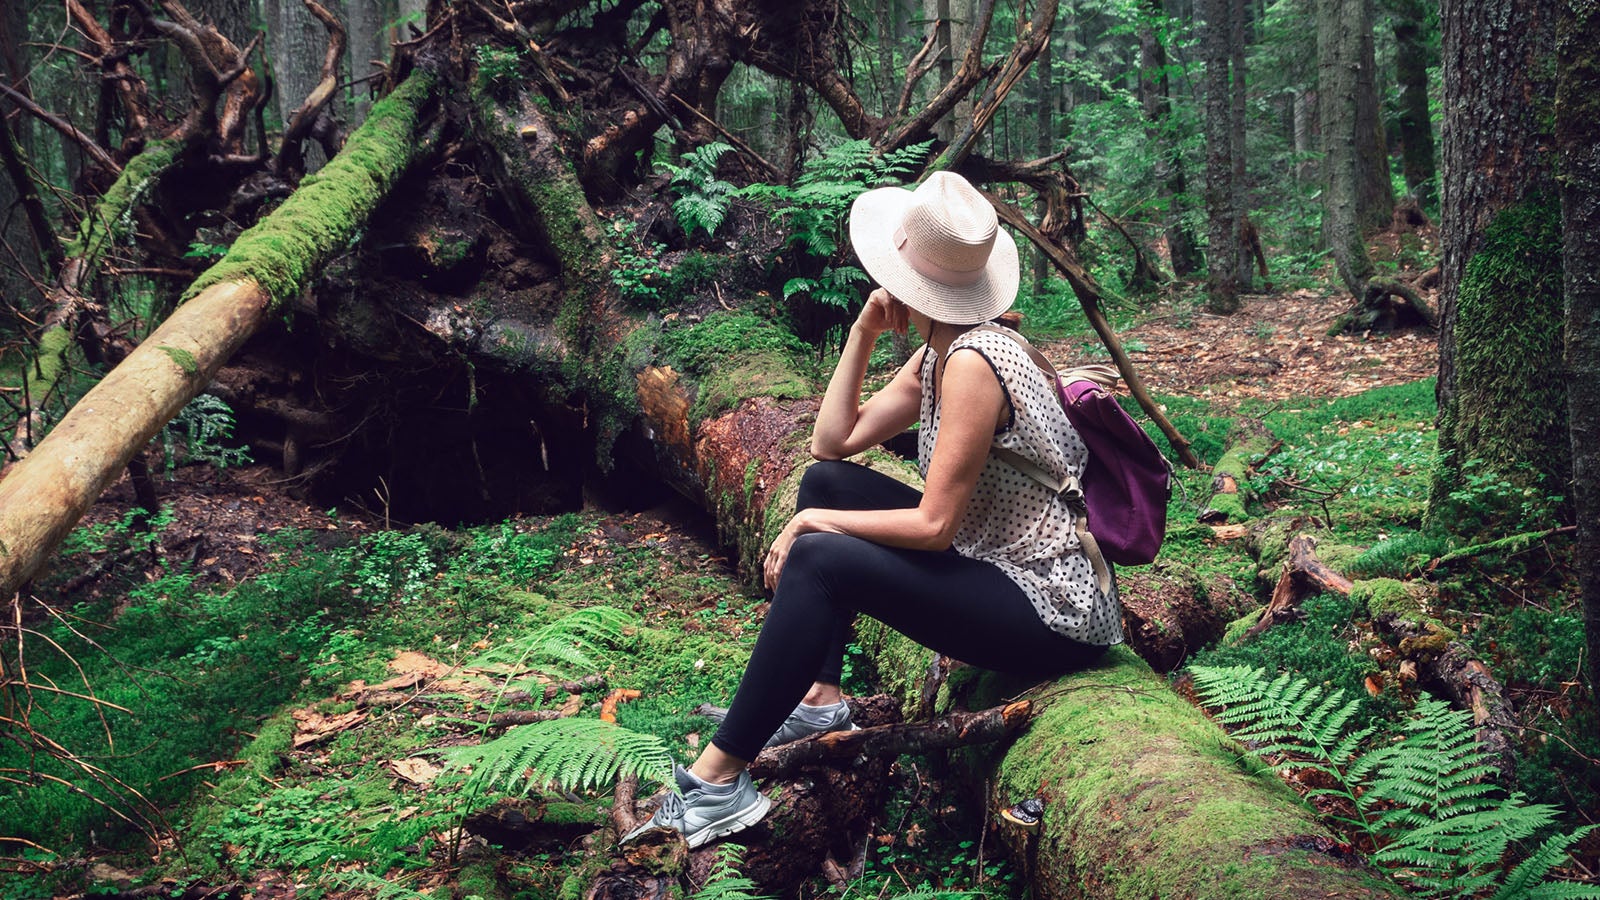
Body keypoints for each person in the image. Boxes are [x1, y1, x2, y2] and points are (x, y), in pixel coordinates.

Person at [621, 171, 1123, 849]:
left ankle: (715, 784)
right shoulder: (939, 352)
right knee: (827, 484)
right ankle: (819, 701)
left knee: (821, 550)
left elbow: (933, 526)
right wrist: (862, 331)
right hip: (991, 564)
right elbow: (832, 442)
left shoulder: (975, 362)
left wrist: (806, 527)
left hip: (1048, 608)